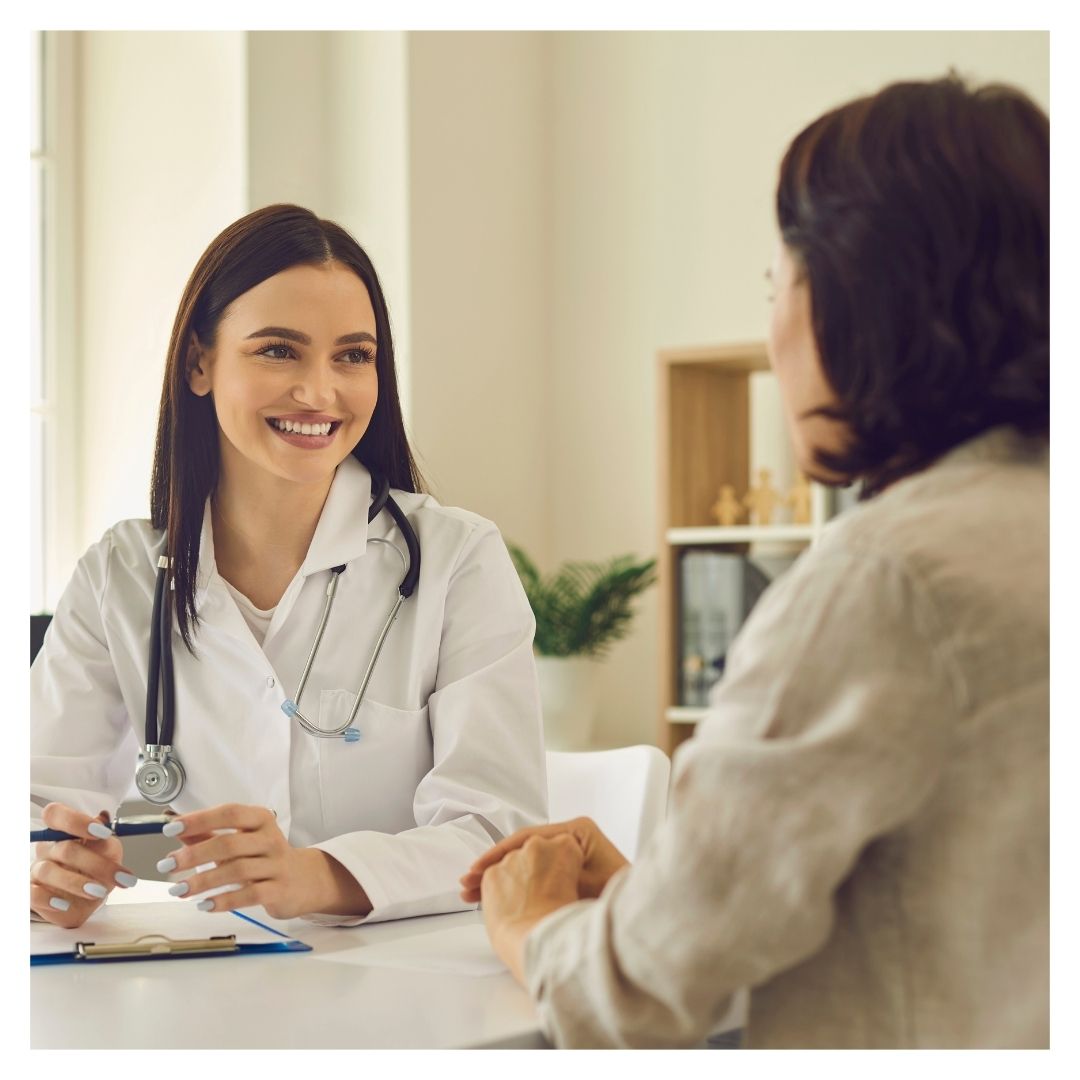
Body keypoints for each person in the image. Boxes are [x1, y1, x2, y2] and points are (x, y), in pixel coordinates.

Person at [461, 74, 1049, 1049]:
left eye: (778, 284)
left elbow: (636, 997)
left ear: (859, 300)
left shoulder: (884, 581)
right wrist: (666, 894)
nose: (775, 328)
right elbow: (947, 904)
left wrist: (530, 923)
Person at [30, 204, 547, 929]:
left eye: (353, 355)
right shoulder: (120, 574)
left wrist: (318, 876)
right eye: (279, 350)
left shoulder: (456, 560)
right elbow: (34, 799)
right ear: (199, 363)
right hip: (218, 980)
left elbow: (497, 828)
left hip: (412, 989)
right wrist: (45, 864)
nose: (319, 392)